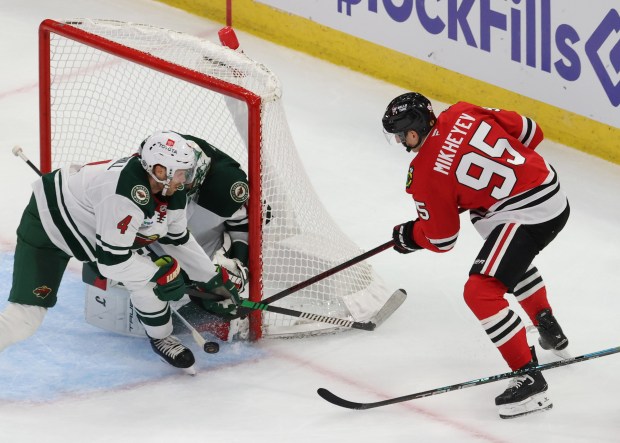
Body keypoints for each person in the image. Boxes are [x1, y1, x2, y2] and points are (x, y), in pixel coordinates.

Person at [382, 92, 570, 419]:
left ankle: (530, 380)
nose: (400, 140)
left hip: (530, 214)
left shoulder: (424, 171)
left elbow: (442, 238)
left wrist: (411, 235)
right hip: (551, 189)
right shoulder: (462, 111)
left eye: (400, 134)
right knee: (487, 223)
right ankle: (546, 322)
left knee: (480, 290)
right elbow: (531, 132)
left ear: (413, 132)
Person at [0, 130, 241, 374]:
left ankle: (161, 338)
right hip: (49, 228)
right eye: (182, 173)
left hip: (93, 231)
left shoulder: (171, 190)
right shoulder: (124, 193)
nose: (186, 180)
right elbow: (111, 263)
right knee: (25, 320)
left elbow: (178, 239)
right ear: (159, 171)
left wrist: (210, 278)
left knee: (148, 280)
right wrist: (160, 275)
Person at [82, 132, 251, 340]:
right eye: (180, 175)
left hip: (197, 260)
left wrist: (238, 262)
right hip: (163, 253)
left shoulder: (221, 188)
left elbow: (242, 222)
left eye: (185, 177)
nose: (180, 183)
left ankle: (215, 318)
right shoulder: (154, 180)